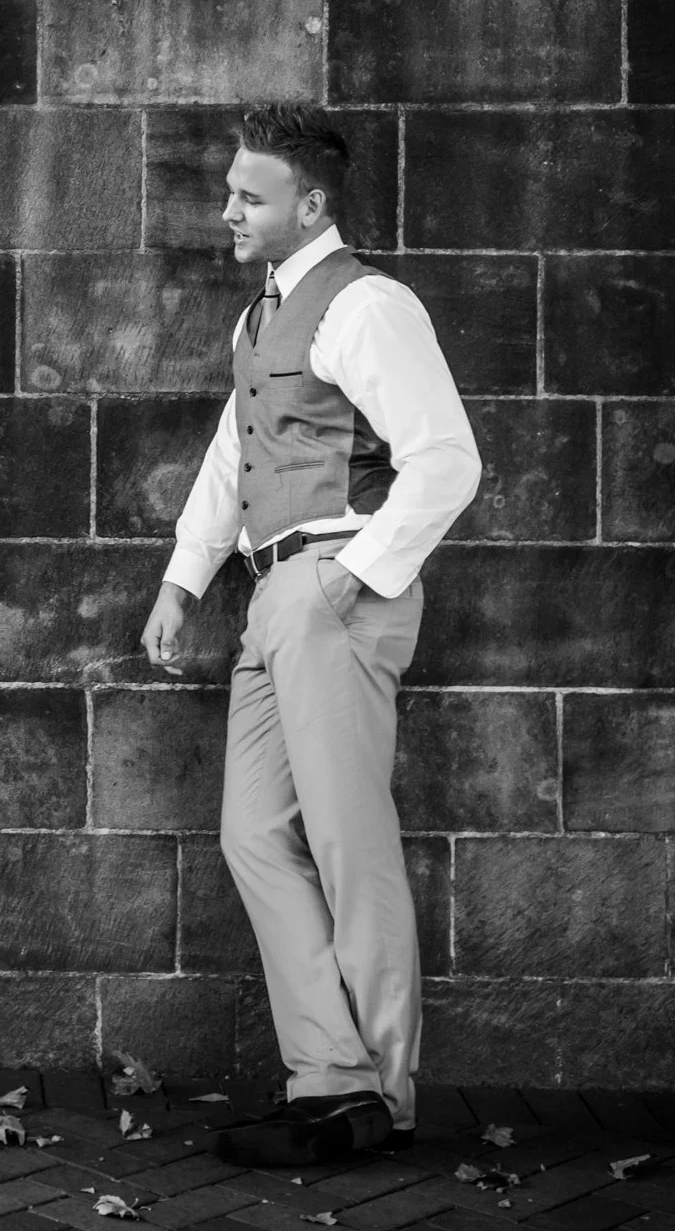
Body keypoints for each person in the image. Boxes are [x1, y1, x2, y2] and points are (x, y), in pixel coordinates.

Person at [139, 106, 480, 1165]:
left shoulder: (368, 304)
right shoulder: (261, 319)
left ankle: (379, 1095)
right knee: (252, 836)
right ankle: (330, 1077)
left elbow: (446, 459)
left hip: (332, 587)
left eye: (250, 195)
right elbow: (231, 457)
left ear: (311, 204)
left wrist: (352, 577)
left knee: (346, 840)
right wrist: (183, 581)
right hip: (271, 595)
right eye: (229, 192)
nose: (228, 211)